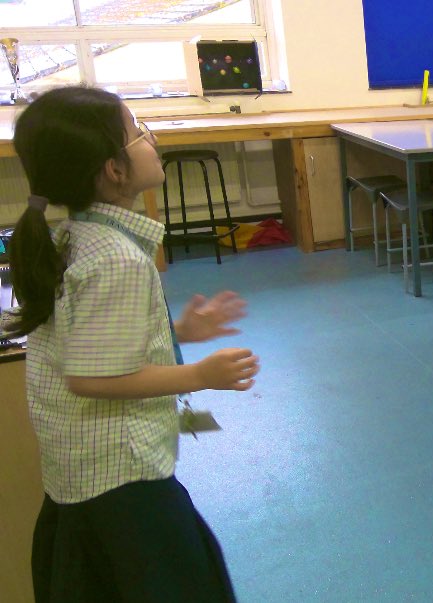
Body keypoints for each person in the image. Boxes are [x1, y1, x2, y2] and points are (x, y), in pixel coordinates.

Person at [1, 86, 260, 601]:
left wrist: (178, 332)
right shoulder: (116, 257)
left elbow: (87, 340)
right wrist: (198, 374)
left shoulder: (74, 236)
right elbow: (91, 376)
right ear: (114, 170)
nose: (153, 137)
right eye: (139, 131)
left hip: (81, 472)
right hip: (121, 482)